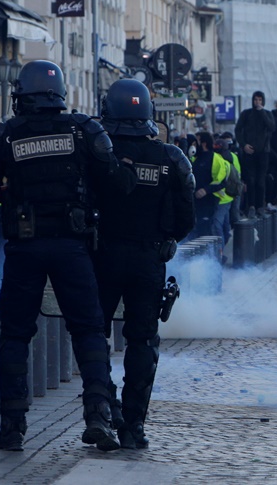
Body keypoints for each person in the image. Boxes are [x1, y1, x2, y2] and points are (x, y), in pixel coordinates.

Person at [0, 60, 137, 452]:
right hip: (72, 247)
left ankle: (12, 427)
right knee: (89, 331)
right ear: (60, 93)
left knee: (15, 335)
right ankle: (98, 413)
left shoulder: (6, 135)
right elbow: (116, 183)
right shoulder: (83, 130)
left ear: (22, 95)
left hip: (24, 248)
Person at [95, 79, 196, 449]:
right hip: (149, 259)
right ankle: (134, 426)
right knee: (142, 341)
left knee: (93, 336)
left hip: (102, 256)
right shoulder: (171, 158)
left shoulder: (98, 155)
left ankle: (108, 409)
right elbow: (187, 215)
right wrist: (166, 240)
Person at [235, 91, 275, 214]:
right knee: (251, 180)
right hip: (249, 152)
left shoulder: (267, 114)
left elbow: (272, 127)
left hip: (263, 152)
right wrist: (243, 145)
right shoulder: (246, 114)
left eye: (259, 100)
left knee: (260, 181)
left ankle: (260, 206)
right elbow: (238, 130)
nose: (257, 102)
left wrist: (262, 112)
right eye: (255, 100)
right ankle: (251, 205)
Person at [188, 131, 227, 239]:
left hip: (209, 200)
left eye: (196, 142)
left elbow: (222, 181)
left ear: (204, 143)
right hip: (195, 201)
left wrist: (206, 190)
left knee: (206, 229)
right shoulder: (195, 158)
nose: (194, 146)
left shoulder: (216, 158)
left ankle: (208, 254)